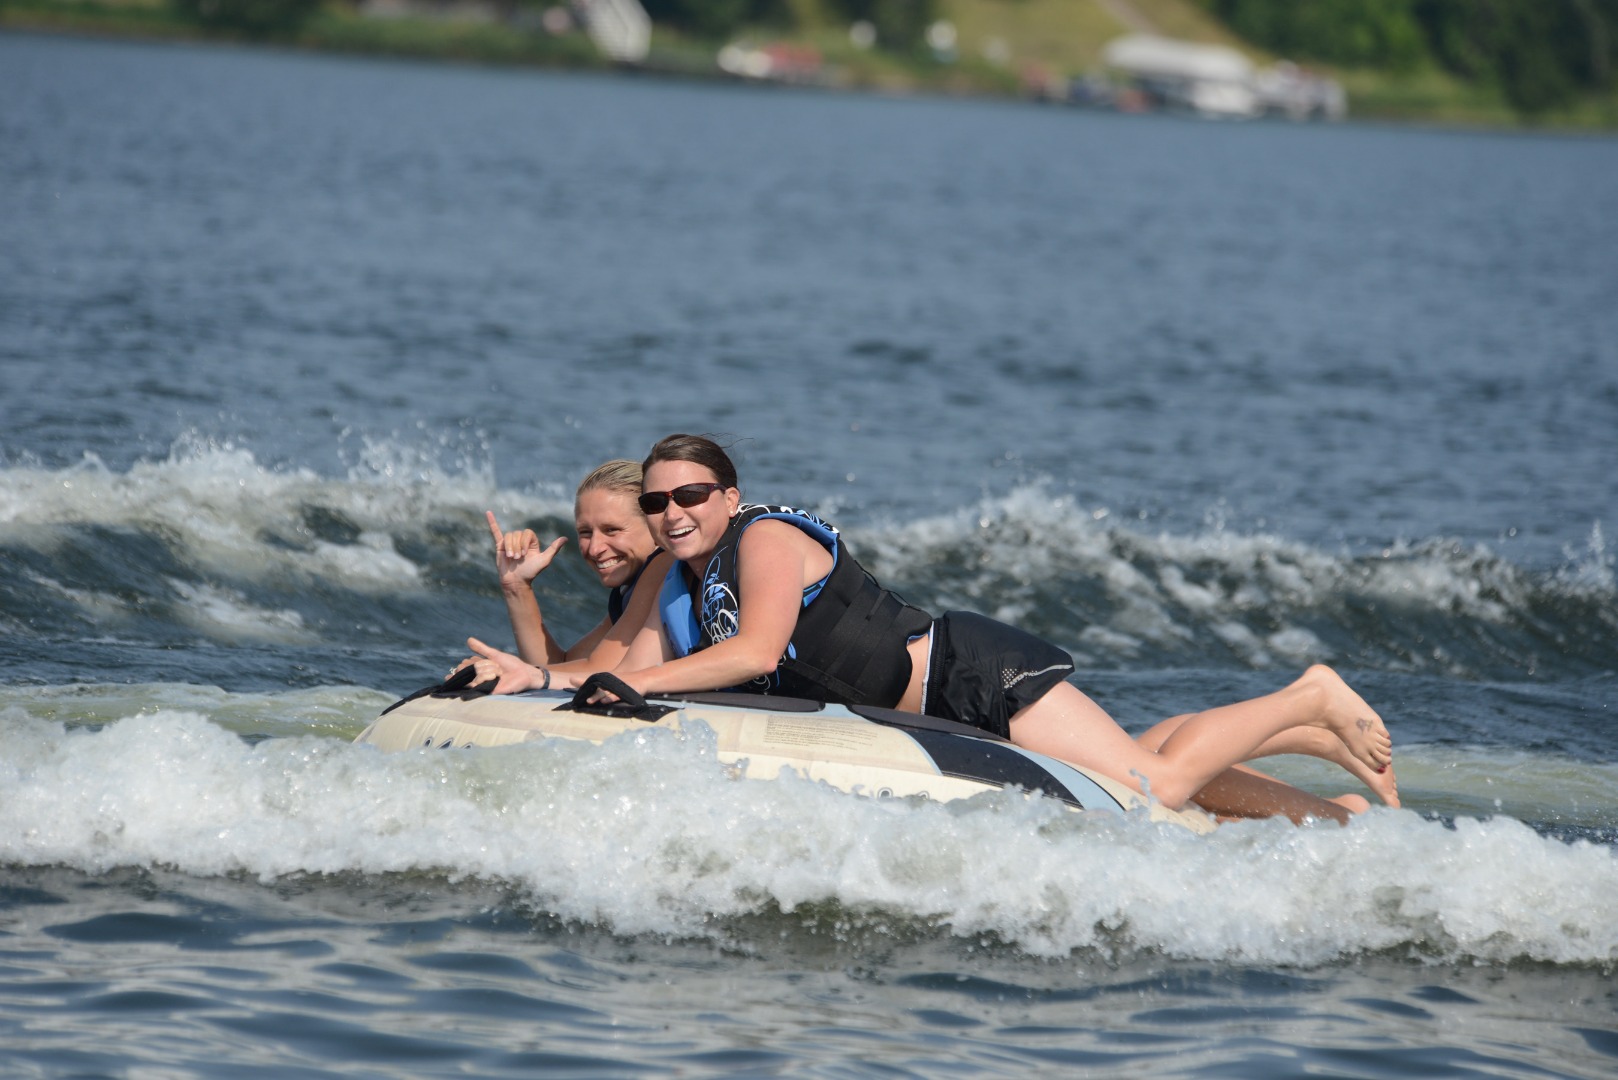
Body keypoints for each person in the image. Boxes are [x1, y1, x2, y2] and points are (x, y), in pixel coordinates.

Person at [464, 435, 1394, 824]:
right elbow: (616, 664)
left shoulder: (765, 540)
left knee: (1153, 787)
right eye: (658, 502)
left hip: (971, 678)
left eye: (690, 496)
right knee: (1138, 765)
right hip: (936, 720)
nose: (671, 513)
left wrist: (633, 684)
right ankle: (1329, 810)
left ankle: (1304, 697)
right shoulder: (685, 581)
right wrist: (533, 678)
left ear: (729, 497)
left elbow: (754, 653)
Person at [484, 459, 667, 666]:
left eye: (611, 530)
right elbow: (559, 666)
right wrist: (517, 586)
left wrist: (505, 669)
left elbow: (595, 671)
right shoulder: (629, 592)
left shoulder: (663, 568)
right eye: (585, 532)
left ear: (654, 524)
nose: (595, 548)